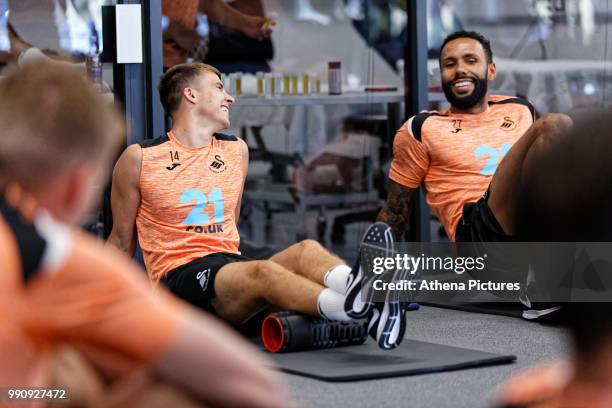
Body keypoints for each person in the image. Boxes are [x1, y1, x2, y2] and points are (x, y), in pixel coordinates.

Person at [0, 61, 290, 407]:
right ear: (78, 186)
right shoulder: (57, 257)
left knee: (74, 374)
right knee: (161, 391)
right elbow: (258, 386)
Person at [107, 62, 408, 350]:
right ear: (191, 94)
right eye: (219, 87)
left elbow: (230, 224)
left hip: (227, 262)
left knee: (306, 250)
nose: (230, 97)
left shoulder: (235, 150)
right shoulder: (140, 158)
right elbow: (121, 241)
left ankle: (367, 303)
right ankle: (356, 305)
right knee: (264, 272)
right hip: (180, 277)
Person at [377, 30, 572, 244]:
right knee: (556, 124)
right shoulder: (422, 128)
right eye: (449, 64)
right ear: (441, 74)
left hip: (525, 226)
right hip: (476, 235)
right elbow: (395, 212)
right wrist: (369, 268)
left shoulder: (520, 109)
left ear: (491, 70)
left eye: (471, 61)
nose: (460, 70)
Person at [162, 0, 274, 70]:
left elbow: (205, 3)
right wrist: (173, 30)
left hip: (181, 61)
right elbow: (145, 9)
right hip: (155, 62)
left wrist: (244, 23)